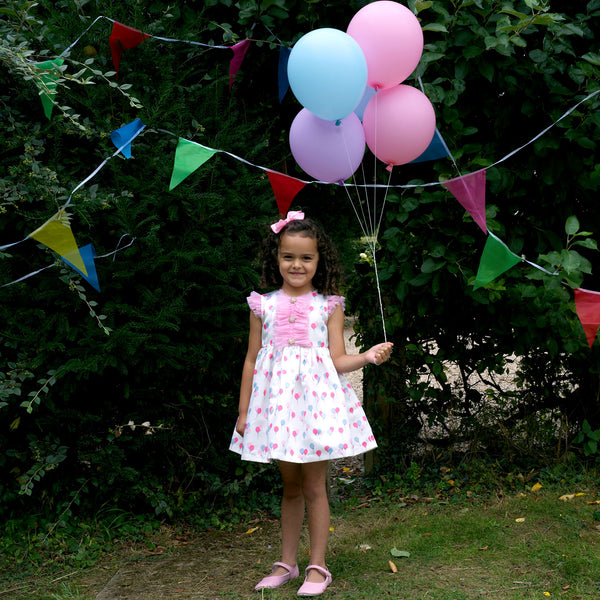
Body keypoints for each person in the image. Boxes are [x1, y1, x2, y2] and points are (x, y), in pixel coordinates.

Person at [229, 211, 393, 597]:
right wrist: (244, 411)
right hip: (277, 412)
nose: (297, 265)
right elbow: (251, 360)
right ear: (276, 258)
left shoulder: (328, 306)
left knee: (315, 485)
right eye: (288, 256)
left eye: (306, 257)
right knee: (290, 486)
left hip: (316, 411)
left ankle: (318, 566)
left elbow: (337, 360)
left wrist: (367, 356)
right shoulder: (262, 305)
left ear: (320, 261)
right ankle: (286, 563)